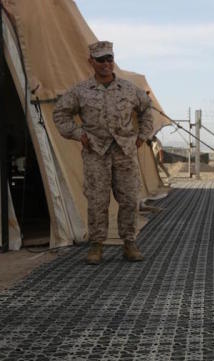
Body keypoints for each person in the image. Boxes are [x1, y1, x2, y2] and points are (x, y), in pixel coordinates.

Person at [53, 41, 154, 264]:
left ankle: (129, 242)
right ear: (91, 62)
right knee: (97, 200)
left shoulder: (129, 89)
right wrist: (78, 134)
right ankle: (96, 245)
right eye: (101, 60)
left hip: (124, 152)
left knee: (129, 198)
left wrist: (142, 136)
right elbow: (60, 113)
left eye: (110, 59)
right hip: (96, 152)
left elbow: (147, 109)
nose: (106, 64)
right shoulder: (80, 91)